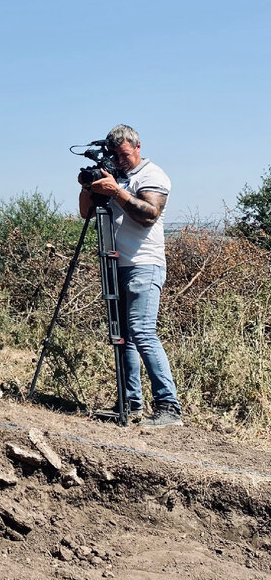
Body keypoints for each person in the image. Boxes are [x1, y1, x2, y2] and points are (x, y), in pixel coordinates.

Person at [77, 123, 183, 428]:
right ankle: (130, 403)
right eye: (116, 156)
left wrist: (116, 191)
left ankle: (168, 406)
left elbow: (149, 215)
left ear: (138, 146)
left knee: (142, 331)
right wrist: (89, 186)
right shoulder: (115, 175)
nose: (121, 161)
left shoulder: (152, 175)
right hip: (117, 264)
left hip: (144, 264)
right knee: (124, 337)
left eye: (124, 155)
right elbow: (85, 213)